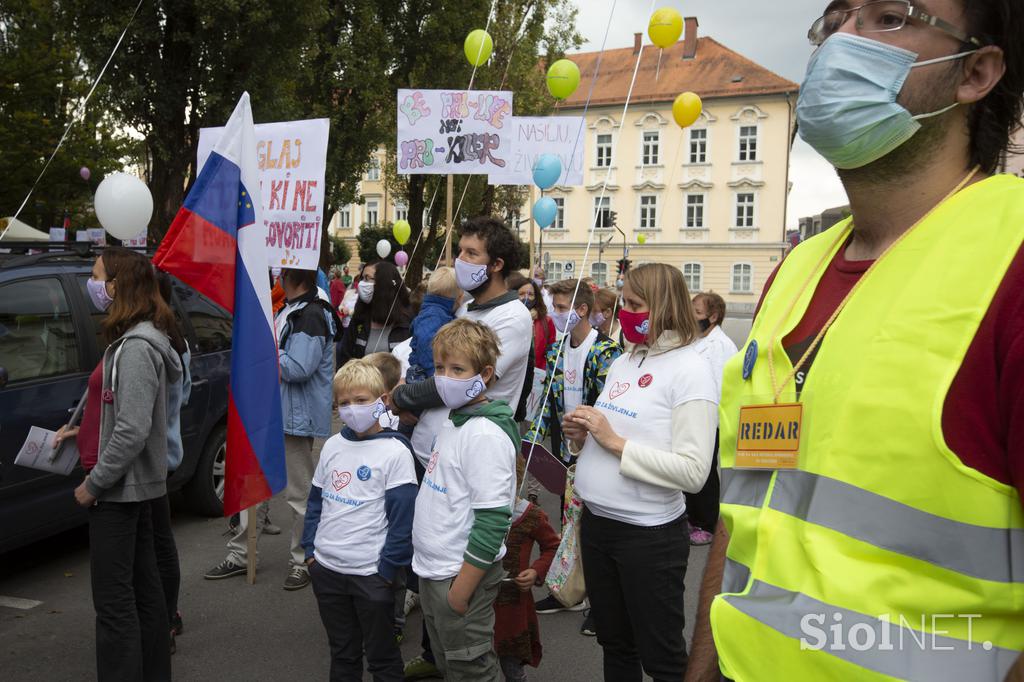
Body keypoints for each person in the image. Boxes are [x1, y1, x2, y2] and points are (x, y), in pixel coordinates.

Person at [688, 3, 1024, 680]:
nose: (841, 41)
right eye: (836, 19)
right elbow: (748, 506)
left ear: (976, 72)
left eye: (889, 17)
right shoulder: (794, 271)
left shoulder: (1011, 267)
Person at [565, 263, 717, 682]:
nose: (623, 312)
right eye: (624, 301)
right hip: (599, 527)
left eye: (634, 304)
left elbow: (693, 472)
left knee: (662, 657)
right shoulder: (627, 360)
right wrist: (583, 436)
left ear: (664, 307)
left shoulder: (691, 371)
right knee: (615, 645)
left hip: (647, 538)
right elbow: (613, 431)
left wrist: (613, 442)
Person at [55, 246, 182, 681]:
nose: (92, 286)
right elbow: (115, 412)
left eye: (96, 277)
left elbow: (132, 429)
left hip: (119, 491)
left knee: (115, 606)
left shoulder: (136, 349)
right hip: (129, 488)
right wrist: (83, 431)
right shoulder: (131, 343)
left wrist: (95, 485)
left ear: (116, 285)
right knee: (145, 596)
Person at [205, 267, 338, 590]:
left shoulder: (311, 315)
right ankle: (241, 554)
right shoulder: (291, 310)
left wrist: (263, 351)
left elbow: (298, 367)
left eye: (280, 269)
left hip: (293, 418)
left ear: (292, 276)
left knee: (299, 495)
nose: (275, 274)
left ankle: (302, 560)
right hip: (270, 413)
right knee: (253, 488)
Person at [411, 319, 519, 682]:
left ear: (485, 374)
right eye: (440, 368)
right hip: (435, 570)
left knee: (470, 668)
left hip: (458, 577)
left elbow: (492, 520)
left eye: (457, 369)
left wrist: (461, 591)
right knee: (449, 664)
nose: (444, 378)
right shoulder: (456, 422)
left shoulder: (485, 434)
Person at [302, 359, 417, 682]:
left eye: (362, 400)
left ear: (382, 400)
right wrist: (311, 552)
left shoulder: (395, 452)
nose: (353, 409)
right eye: (345, 403)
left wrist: (386, 571)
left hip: (371, 576)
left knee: (382, 660)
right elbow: (316, 502)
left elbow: (402, 520)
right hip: (327, 570)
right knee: (343, 654)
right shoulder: (334, 446)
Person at [525, 279, 621, 629]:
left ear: (581, 310)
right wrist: (532, 443)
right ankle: (568, 591)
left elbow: (612, 409)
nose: (555, 313)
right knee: (569, 525)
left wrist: (590, 435)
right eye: (554, 307)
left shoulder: (606, 352)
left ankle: (602, 602)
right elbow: (546, 404)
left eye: (561, 308)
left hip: (598, 455)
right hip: (567, 456)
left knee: (595, 530)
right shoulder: (555, 352)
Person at [493, 457, 560, 682]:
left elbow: (552, 546)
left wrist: (535, 571)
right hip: (477, 598)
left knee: (512, 667)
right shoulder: (469, 511)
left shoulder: (530, 515)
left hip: (512, 606)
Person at [154, 271, 192, 654]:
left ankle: (162, 619)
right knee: (161, 538)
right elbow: (182, 398)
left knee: (155, 542)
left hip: (154, 455)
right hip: (168, 450)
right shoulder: (177, 337)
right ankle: (169, 613)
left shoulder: (157, 342)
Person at [685, 292, 737, 547]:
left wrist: (705, 422)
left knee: (704, 474)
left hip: (708, 421)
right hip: (693, 419)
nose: (691, 316)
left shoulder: (720, 346)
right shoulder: (697, 340)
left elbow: (718, 389)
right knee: (691, 469)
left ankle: (706, 524)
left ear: (713, 317)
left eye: (696, 312)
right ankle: (693, 517)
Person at [338, 261, 412, 365]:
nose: (362, 283)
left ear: (384, 283)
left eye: (368, 278)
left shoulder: (407, 322)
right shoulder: (359, 319)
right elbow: (344, 358)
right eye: (362, 278)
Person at [406, 266, 460, 383]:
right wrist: (435, 374)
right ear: (459, 298)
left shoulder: (434, 311)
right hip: (423, 375)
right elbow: (426, 346)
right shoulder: (433, 316)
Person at [508, 272, 554, 371]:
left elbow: (551, 351)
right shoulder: (507, 318)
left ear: (536, 297)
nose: (526, 298)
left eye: (530, 294)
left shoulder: (546, 321)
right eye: (521, 294)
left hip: (538, 372)